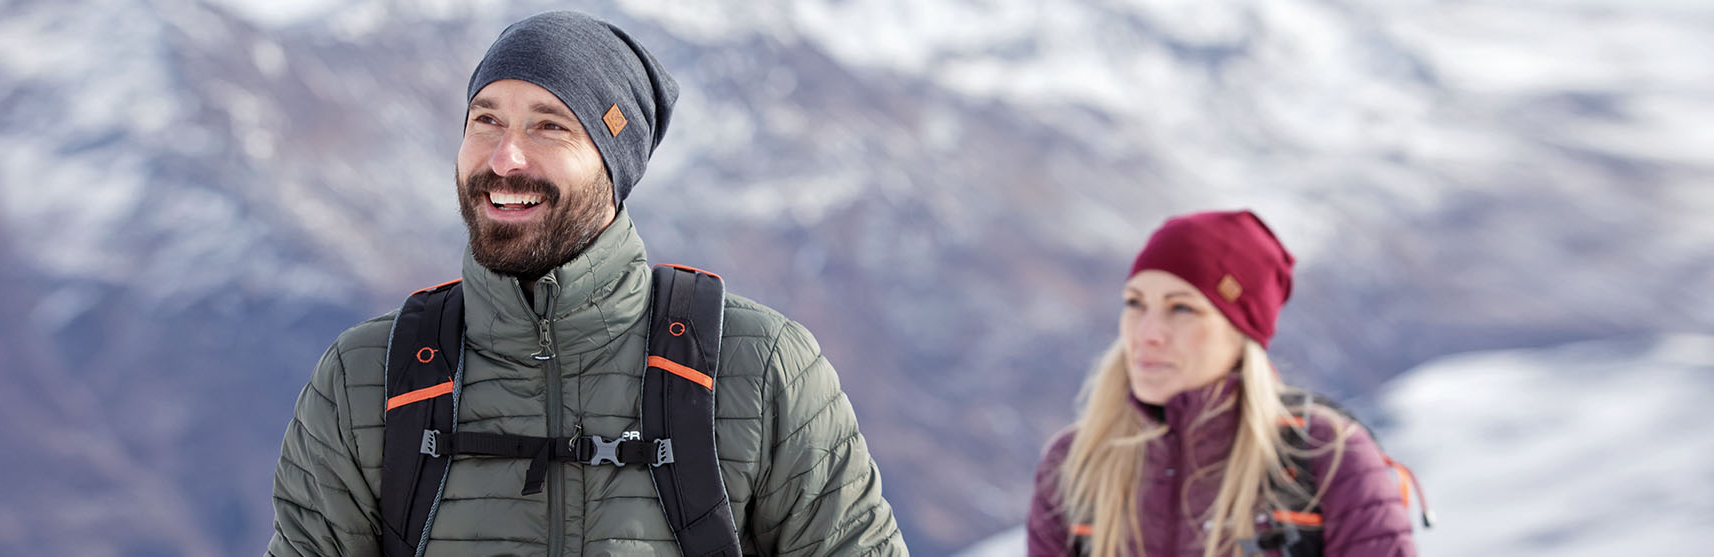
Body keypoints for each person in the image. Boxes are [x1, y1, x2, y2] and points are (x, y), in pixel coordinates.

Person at [266, 11, 906, 557]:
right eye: (486, 120)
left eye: (549, 125)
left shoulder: (760, 367)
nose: (505, 158)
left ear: (613, 164)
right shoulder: (365, 377)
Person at [1026, 210, 1417, 556]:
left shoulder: (1324, 455)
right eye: (1135, 303)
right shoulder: (1075, 463)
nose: (1146, 333)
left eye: (1182, 308)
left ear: (1241, 332)